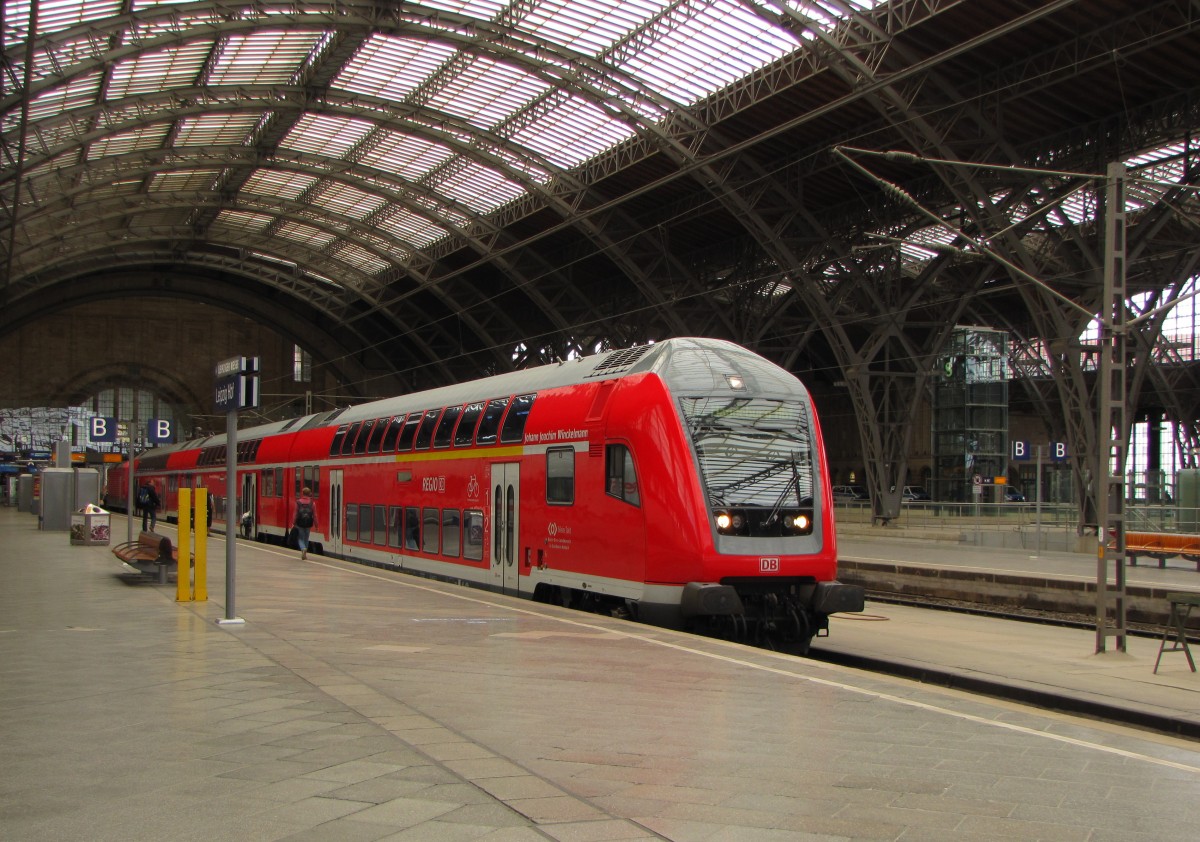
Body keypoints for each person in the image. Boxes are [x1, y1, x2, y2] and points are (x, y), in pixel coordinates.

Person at [293, 487, 316, 560]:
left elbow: (295, 513)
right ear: (309, 494)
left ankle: (303, 548)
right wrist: (316, 525)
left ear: (302, 493)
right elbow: (315, 515)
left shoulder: (298, 502)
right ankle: (305, 553)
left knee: (300, 538)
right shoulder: (312, 503)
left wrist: (293, 523)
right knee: (306, 538)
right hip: (308, 523)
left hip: (299, 523)